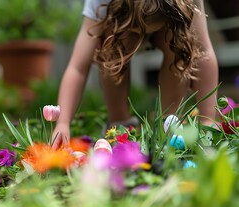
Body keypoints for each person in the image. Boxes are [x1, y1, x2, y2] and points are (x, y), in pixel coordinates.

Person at [51, 0, 219, 149]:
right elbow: (77, 67)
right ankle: (119, 123)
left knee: (181, 44)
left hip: (170, 26)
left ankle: (169, 122)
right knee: (109, 49)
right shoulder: (101, 3)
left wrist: (208, 118)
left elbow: (204, 51)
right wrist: (63, 123)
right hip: (120, 28)